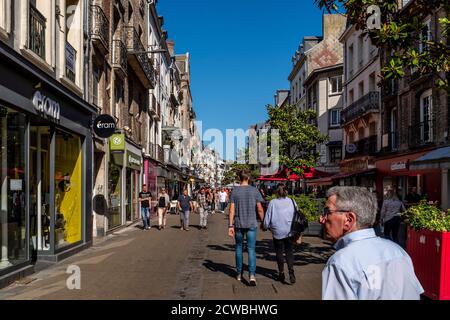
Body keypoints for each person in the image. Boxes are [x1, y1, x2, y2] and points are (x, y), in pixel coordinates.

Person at [320, 186, 423, 300]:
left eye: (327, 212)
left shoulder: (341, 262)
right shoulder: (398, 252)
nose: (322, 219)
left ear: (349, 219)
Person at [228, 170, 265, 286]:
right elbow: (259, 209)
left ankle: (239, 273)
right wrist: (264, 221)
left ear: (239, 178)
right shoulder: (254, 190)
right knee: (251, 249)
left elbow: (231, 210)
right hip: (251, 224)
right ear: (248, 178)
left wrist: (230, 225)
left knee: (239, 248)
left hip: (239, 224)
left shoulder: (235, 191)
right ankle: (252, 275)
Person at [263, 184, 296, 284]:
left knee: (279, 253)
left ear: (276, 192)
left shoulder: (273, 202)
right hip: (289, 230)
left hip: (277, 231)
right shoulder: (292, 201)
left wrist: (265, 226)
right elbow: (296, 213)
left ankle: (281, 273)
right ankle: (291, 272)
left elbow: (268, 217)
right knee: (289, 252)